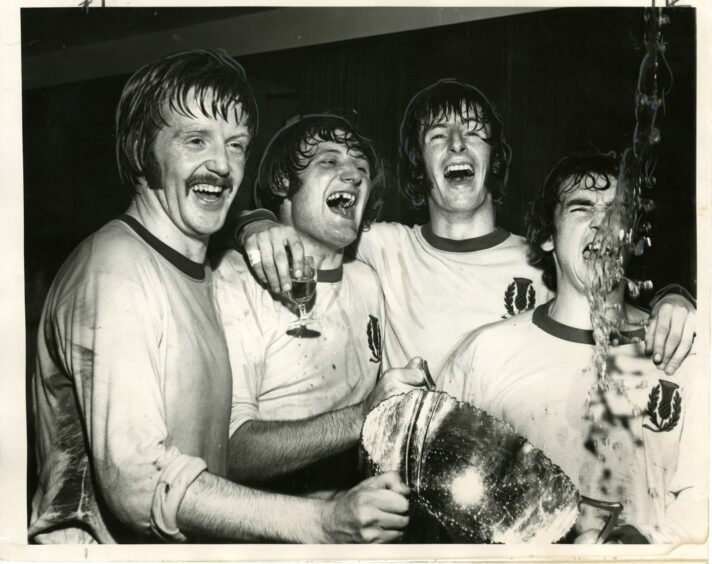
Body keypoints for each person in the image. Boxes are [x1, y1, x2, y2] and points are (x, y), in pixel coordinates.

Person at [29, 49, 412, 544]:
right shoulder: (115, 268)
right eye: (195, 140)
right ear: (143, 149)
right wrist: (319, 521)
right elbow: (138, 484)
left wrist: (256, 221)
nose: (221, 165)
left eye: (235, 145)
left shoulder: (198, 272)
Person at [234, 80, 696, 378]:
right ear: (420, 164)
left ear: (492, 160)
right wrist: (255, 222)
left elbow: (617, 292)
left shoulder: (544, 259)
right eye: (438, 136)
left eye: (473, 133)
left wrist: (673, 296)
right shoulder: (382, 246)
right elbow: (309, 218)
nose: (457, 143)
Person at [438, 151, 706, 544]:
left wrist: (636, 542)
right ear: (548, 234)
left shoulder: (684, 351)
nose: (603, 223)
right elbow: (441, 498)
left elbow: (703, 499)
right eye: (582, 208)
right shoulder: (485, 354)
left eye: (618, 211)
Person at [213, 113, 426, 496]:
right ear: (283, 183)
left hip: (362, 528)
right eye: (329, 161)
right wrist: (363, 418)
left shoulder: (369, 280)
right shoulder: (236, 279)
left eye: (360, 167)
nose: (353, 175)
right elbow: (229, 452)